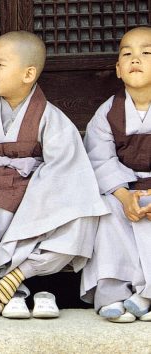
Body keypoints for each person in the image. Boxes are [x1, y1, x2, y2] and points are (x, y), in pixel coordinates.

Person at [0, 31, 108, 320]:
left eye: (1, 65)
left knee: (81, 219)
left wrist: (35, 198)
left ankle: (16, 277)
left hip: (32, 191)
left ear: (28, 74)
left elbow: (66, 168)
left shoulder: (50, 117)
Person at [80, 26, 151, 323]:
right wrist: (123, 196)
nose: (136, 59)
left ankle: (146, 294)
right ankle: (113, 292)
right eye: (127, 54)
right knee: (107, 212)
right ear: (119, 70)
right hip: (125, 187)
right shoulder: (108, 112)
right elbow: (99, 159)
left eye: (146, 52)